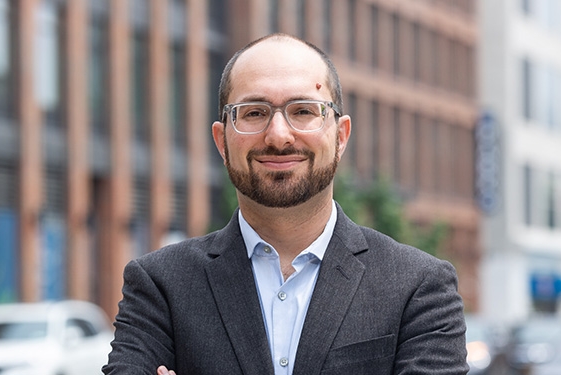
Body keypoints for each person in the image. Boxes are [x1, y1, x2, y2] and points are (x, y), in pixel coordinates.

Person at [103, 33, 468, 375]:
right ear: (222, 140)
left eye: (303, 111)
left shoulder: (418, 287)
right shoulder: (159, 285)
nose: (278, 136)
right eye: (254, 113)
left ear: (340, 136)